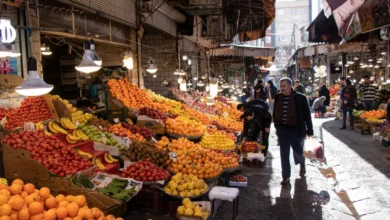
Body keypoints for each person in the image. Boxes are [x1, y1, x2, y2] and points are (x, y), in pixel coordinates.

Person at [273, 77, 313, 185]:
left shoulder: (300, 98)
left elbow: (307, 116)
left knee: (299, 150)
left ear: (290, 86)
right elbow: (275, 112)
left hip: (296, 129)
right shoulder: (278, 97)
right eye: (280, 86)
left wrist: (310, 131)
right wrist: (277, 127)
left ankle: (302, 163)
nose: (282, 88)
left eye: (284, 86)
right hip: (282, 130)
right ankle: (285, 176)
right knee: (284, 153)